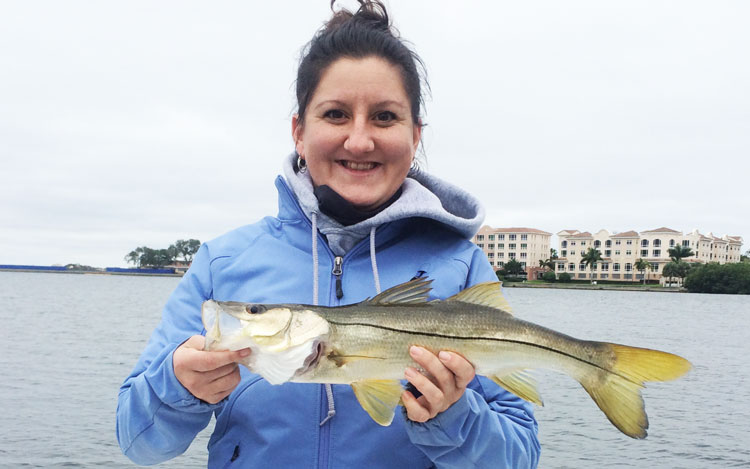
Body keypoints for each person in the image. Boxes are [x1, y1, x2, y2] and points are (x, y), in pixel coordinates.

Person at [116, 2, 540, 467]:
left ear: (414, 136)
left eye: (384, 117)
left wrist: (453, 415)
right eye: (336, 114)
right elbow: (139, 444)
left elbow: (519, 458)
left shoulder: (460, 265)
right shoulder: (222, 262)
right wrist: (178, 389)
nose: (359, 141)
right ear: (299, 132)